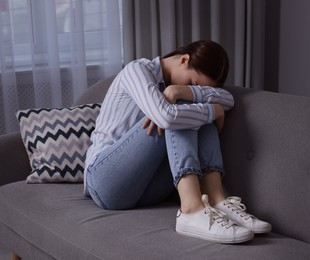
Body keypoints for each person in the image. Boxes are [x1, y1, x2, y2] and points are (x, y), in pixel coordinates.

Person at [84, 40, 271, 243]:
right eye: (193, 82)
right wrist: (212, 110)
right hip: (105, 181)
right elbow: (166, 118)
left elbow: (228, 99)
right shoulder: (136, 70)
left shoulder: (176, 87)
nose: (189, 87)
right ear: (184, 60)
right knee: (187, 110)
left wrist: (181, 91)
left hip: (146, 187)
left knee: (191, 105)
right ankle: (191, 209)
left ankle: (217, 199)